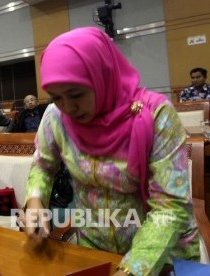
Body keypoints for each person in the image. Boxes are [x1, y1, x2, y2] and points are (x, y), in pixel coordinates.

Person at [23, 27, 200, 276]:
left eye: (76, 94)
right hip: (95, 251)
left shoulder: (155, 115)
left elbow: (171, 208)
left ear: (102, 76)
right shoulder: (56, 117)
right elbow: (43, 165)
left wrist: (132, 268)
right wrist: (35, 200)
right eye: (56, 97)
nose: (68, 107)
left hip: (163, 256)